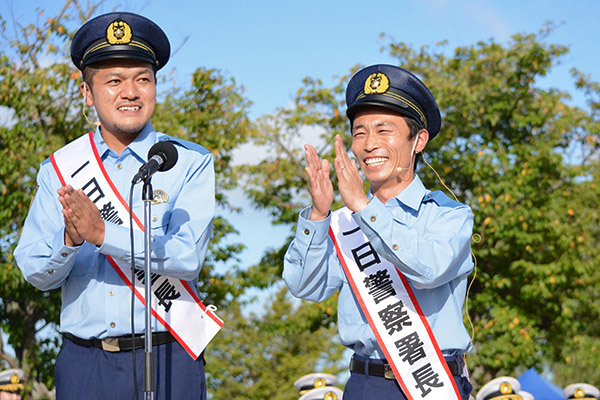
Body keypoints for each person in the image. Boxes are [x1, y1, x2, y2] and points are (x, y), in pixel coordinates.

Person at [14, 11, 217, 400]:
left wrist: (102, 234)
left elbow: (187, 256)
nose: (130, 92)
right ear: (88, 94)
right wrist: (70, 243)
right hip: (85, 363)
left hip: (169, 354)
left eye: (143, 79)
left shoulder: (188, 161)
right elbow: (34, 271)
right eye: (114, 81)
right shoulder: (61, 169)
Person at [283, 64, 474, 400]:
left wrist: (363, 208)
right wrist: (319, 213)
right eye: (360, 133)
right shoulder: (344, 222)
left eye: (384, 131)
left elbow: (428, 269)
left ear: (418, 140)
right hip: (366, 383)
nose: (370, 144)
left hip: (433, 381)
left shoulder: (449, 215)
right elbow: (304, 286)